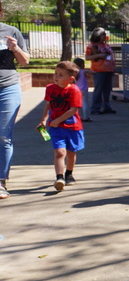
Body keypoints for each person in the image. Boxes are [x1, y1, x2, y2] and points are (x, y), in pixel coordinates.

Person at [38, 61, 84, 191]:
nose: (56, 77)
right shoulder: (50, 88)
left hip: (73, 127)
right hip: (56, 127)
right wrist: (43, 120)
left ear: (70, 79)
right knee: (59, 152)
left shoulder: (74, 91)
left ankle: (69, 173)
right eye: (55, 73)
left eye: (60, 75)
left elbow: (73, 110)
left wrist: (57, 120)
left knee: (70, 153)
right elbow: (48, 104)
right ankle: (59, 177)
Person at [0, 14, 30, 200]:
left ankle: (1, 180)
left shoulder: (11, 31)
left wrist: (15, 48)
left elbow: (25, 61)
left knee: (4, 136)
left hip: (7, 89)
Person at [85, 28, 116, 115]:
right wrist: (99, 55)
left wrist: (113, 67)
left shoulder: (107, 46)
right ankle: (95, 108)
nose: (105, 36)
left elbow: (111, 57)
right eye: (103, 34)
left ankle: (107, 107)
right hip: (98, 70)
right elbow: (87, 57)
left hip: (108, 70)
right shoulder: (91, 46)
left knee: (107, 90)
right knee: (98, 90)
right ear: (98, 35)